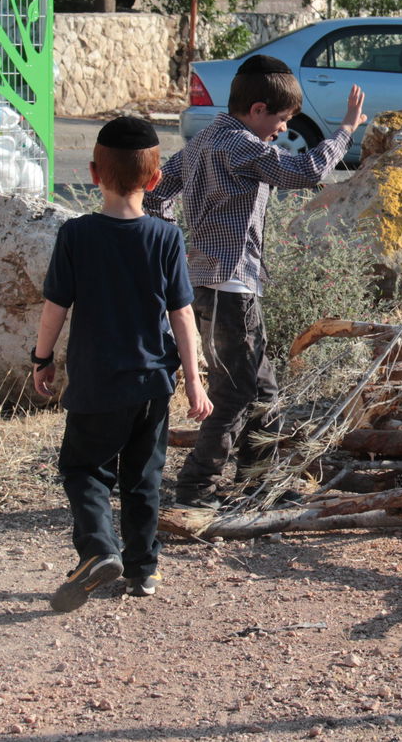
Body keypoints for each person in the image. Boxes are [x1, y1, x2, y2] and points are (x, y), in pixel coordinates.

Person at [145, 55, 367, 509]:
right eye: (282, 120)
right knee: (236, 393)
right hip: (231, 287)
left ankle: (256, 481)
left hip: (207, 281)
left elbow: (156, 191)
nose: (282, 131)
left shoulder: (207, 138)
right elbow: (306, 172)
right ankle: (196, 487)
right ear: (259, 108)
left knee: (262, 388)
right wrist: (345, 130)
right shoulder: (242, 146)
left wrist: (175, 244)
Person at [32, 115, 213, 613]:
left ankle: (98, 550)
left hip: (96, 382)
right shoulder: (165, 237)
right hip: (153, 382)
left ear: (93, 173)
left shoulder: (77, 234)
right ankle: (142, 570)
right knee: (143, 476)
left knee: (84, 467)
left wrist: (41, 359)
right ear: (155, 181)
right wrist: (194, 382)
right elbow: (182, 315)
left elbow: (55, 308)